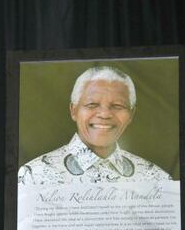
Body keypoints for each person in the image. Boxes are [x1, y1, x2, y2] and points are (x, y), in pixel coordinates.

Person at [18, 66, 170, 187]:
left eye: (117, 105)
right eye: (92, 104)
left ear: (131, 114)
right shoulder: (33, 176)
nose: (104, 114)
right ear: (74, 110)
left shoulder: (158, 179)